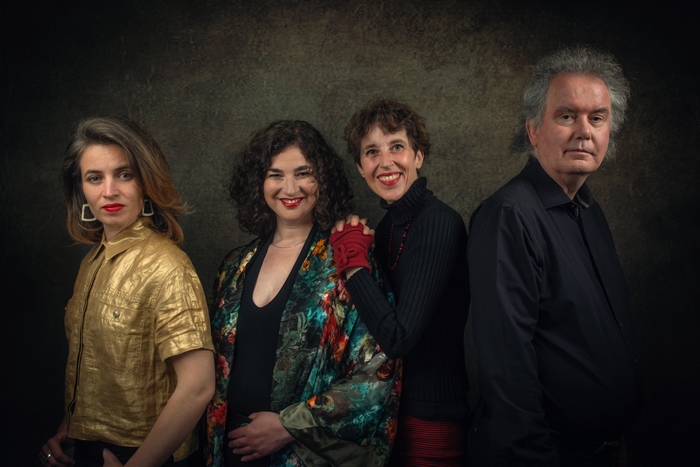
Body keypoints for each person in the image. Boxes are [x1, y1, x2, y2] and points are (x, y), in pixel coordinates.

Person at [467, 47, 643, 466]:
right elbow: (507, 367)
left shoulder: (588, 209)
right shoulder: (509, 215)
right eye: (567, 116)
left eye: (596, 118)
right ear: (533, 130)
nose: (584, 131)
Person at [204, 120, 400, 467]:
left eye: (303, 173)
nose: (289, 187)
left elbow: (379, 370)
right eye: (275, 174)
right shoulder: (234, 267)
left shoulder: (345, 258)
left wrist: (288, 425)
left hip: (304, 453)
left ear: (321, 180)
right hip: (230, 450)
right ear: (258, 183)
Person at [38, 116, 215, 467]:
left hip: (148, 456)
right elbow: (98, 369)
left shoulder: (168, 266)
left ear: (146, 181)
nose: (109, 191)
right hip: (90, 449)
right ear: (81, 189)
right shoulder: (91, 263)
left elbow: (198, 388)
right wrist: (69, 430)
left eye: (124, 174)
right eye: (94, 178)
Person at [331, 99, 469, 466]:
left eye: (397, 147)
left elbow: (397, 337)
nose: (386, 162)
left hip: (431, 414)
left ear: (418, 156)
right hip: (387, 410)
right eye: (372, 152)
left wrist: (353, 265)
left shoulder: (439, 222)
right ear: (361, 168)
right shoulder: (388, 227)